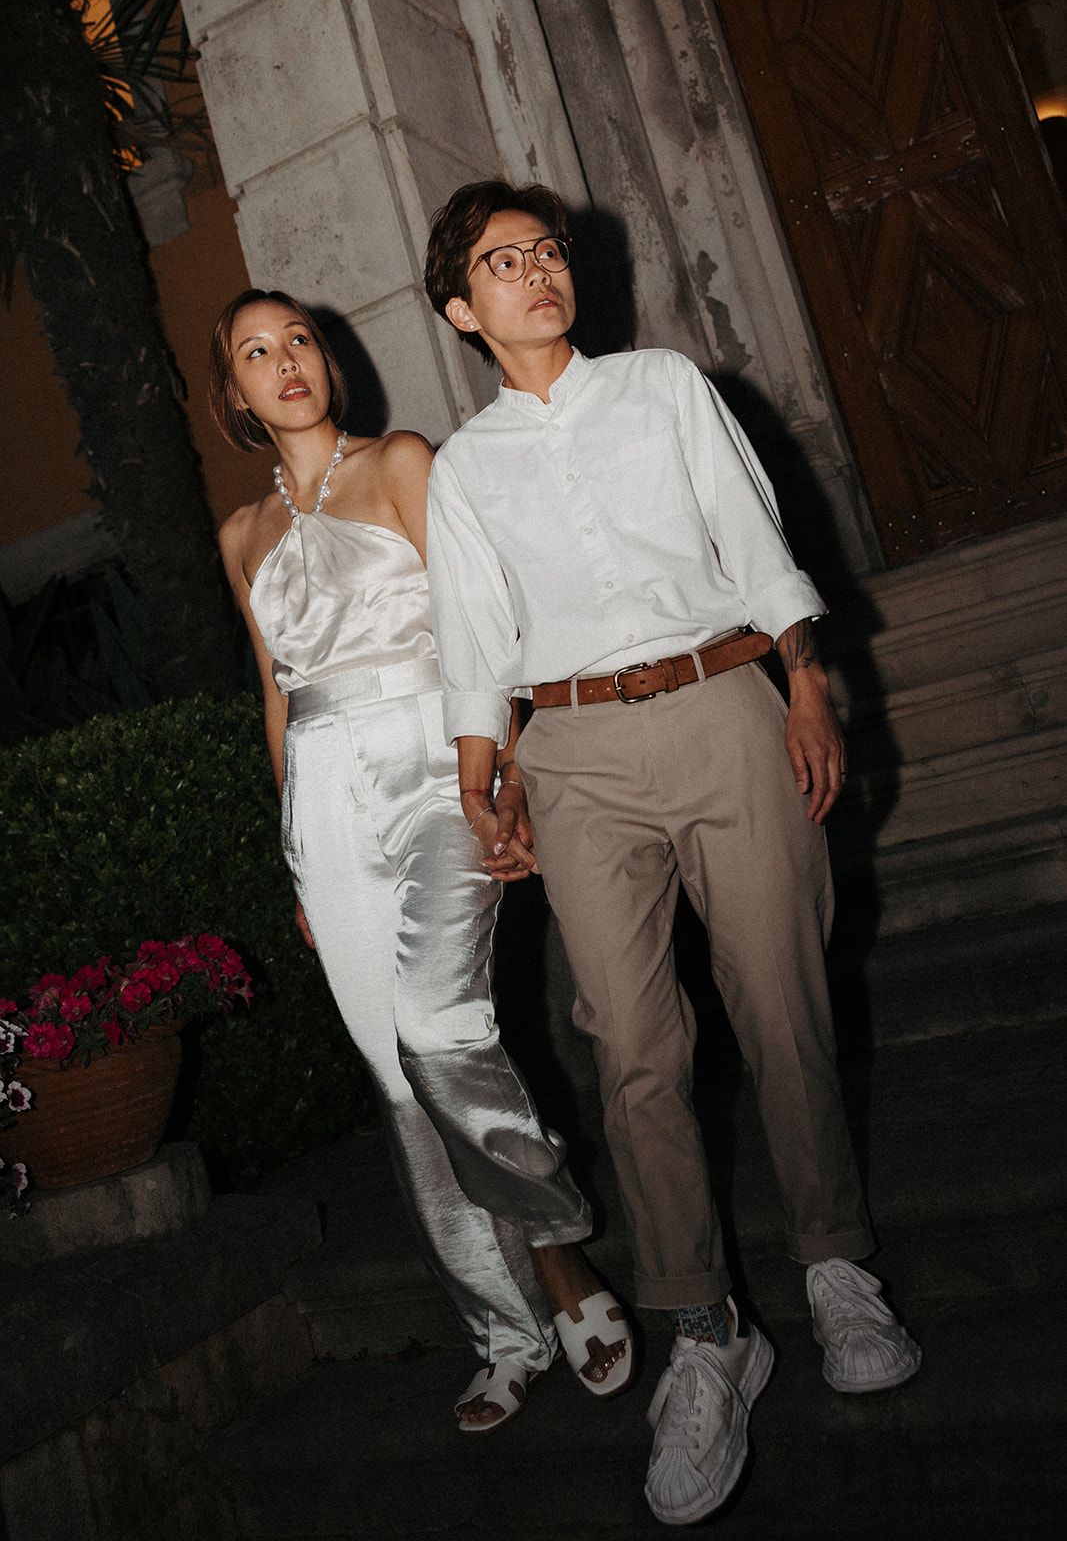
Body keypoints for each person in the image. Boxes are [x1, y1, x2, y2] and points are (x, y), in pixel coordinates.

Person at [422, 182, 921, 1520]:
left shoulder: (662, 387)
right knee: (632, 1050)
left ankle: (832, 1271)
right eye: (499, 262)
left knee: (778, 1001)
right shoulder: (464, 467)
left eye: (545, 251)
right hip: (571, 754)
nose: (535, 271)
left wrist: (804, 686)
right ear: (460, 309)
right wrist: (486, 784)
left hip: (719, 707)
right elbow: (472, 643)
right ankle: (705, 1333)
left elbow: (755, 547)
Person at [208, 287, 635, 1434]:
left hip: (435, 768)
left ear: (326, 360)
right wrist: (297, 856)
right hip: (325, 808)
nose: (285, 360)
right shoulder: (240, 536)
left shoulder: (401, 462)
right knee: (397, 1084)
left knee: (441, 1027)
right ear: (236, 396)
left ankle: (559, 1260)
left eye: (297, 338)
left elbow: (479, 623)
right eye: (257, 352)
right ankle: (501, 1333)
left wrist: (505, 774)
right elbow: (273, 694)